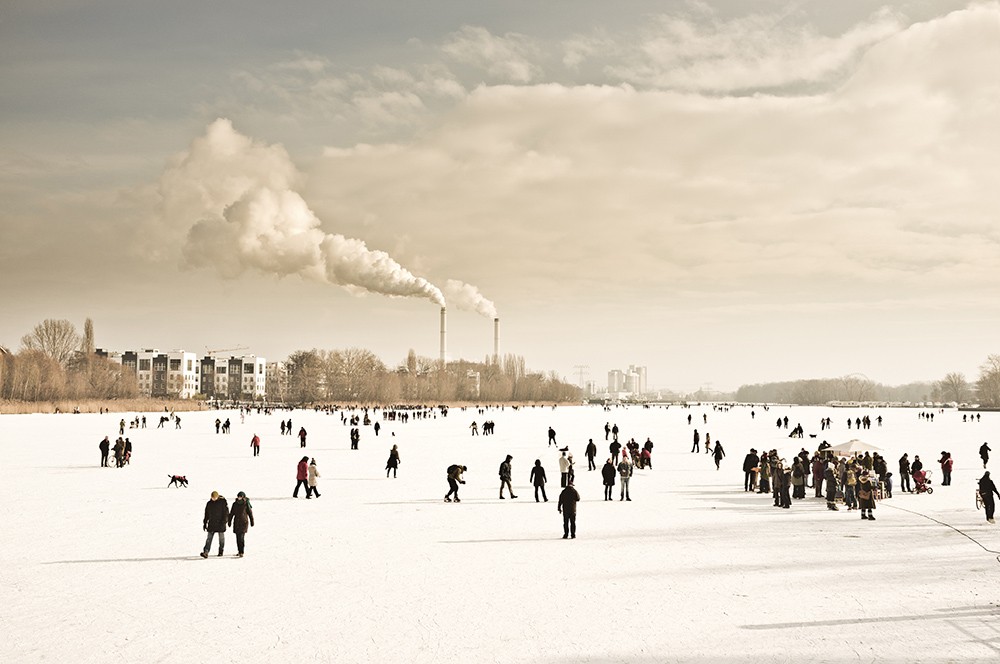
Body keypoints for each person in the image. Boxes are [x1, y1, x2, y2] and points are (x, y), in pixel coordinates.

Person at [201, 491, 228, 558]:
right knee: (209, 539)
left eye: (215, 498)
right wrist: (205, 523)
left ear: (217, 497)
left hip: (220, 524)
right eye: (212, 498)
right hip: (212, 524)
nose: (213, 499)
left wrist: (224, 521)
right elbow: (206, 514)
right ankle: (206, 552)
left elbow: (226, 513)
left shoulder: (222, 502)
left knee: (221, 539)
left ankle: (221, 550)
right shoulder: (209, 503)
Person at [227, 491, 254, 557]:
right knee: (238, 538)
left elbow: (250, 513)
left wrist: (252, 521)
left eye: (240, 497)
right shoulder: (235, 504)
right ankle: (239, 551)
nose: (239, 498)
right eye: (238, 496)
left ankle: (241, 552)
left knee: (241, 538)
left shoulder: (246, 504)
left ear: (243, 497)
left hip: (243, 523)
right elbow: (231, 513)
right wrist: (229, 521)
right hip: (237, 523)